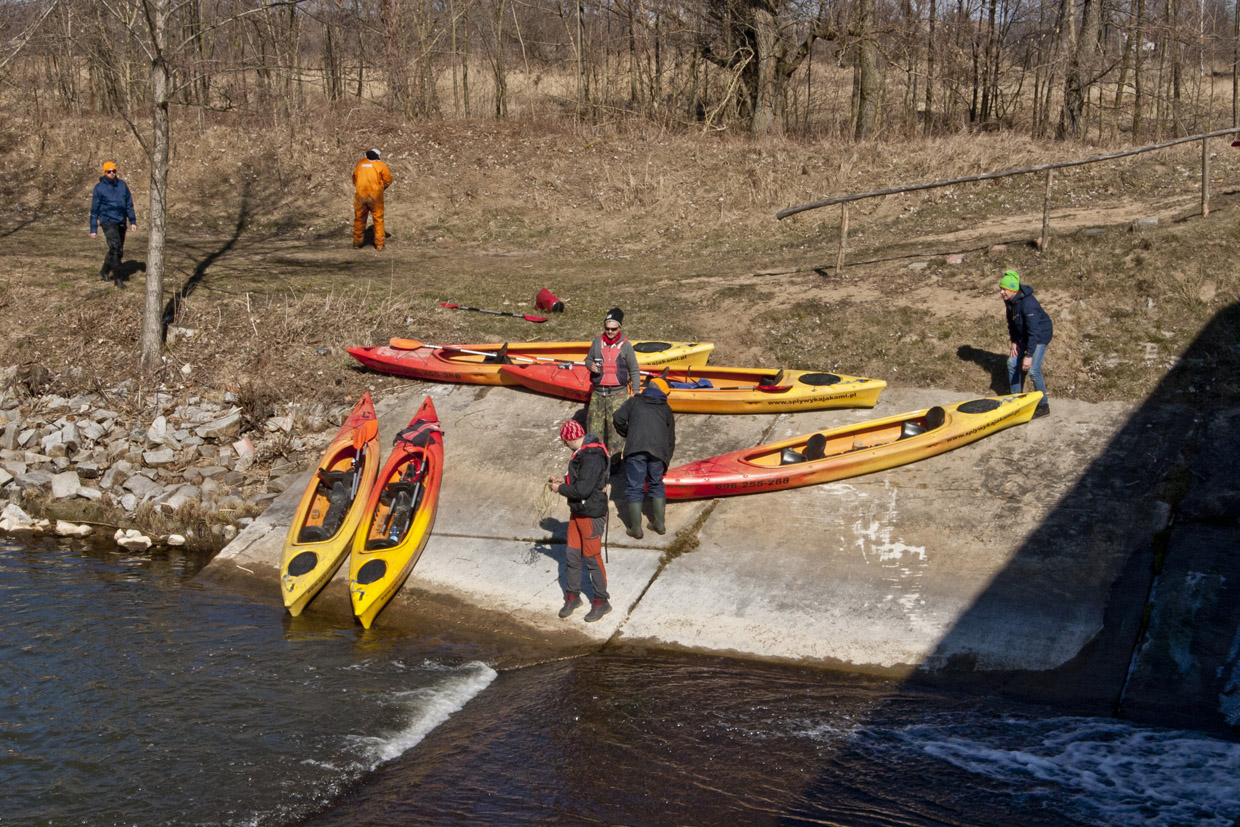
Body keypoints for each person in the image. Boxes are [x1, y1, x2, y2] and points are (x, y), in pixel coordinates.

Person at [547, 419, 612, 622]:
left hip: (591, 514)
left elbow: (583, 490)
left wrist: (560, 489)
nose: (565, 445)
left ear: (571, 438)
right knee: (572, 555)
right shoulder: (582, 453)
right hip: (578, 512)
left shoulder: (592, 457)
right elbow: (580, 481)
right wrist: (563, 481)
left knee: (592, 558)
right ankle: (572, 597)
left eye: (565, 441)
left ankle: (601, 601)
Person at [612, 377, 675, 539]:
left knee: (635, 487)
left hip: (636, 449)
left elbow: (618, 418)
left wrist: (628, 433)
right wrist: (666, 460)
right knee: (656, 484)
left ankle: (636, 529)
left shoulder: (634, 402)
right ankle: (660, 524)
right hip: (658, 452)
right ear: (662, 392)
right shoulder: (665, 409)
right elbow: (671, 438)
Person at [585, 307, 640, 464]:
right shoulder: (597, 342)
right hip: (598, 394)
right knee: (594, 431)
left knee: (616, 433)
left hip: (618, 395)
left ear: (619, 328)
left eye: (613, 329)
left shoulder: (626, 346)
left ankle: (615, 464)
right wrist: (589, 365)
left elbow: (634, 370)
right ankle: (595, 462)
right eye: (607, 328)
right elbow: (588, 359)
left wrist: (636, 392)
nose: (609, 331)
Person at [999, 269, 1053, 418]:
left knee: (1033, 370)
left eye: (1004, 289)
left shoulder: (1028, 304)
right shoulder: (1009, 301)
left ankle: (1043, 406)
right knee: (1012, 363)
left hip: (1039, 336)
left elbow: (1034, 332)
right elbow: (1011, 323)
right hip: (1024, 335)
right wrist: (1014, 341)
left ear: (1013, 289)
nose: (1001, 292)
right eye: (1001, 289)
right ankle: (1016, 401)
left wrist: (1028, 355)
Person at [89, 161, 137, 287]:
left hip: (121, 220)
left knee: (117, 250)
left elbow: (129, 204)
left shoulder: (122, 185)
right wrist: (93, 228)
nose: (111, 173)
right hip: (107, 221)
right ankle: (118, 278)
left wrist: (132, 221)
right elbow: (94, 209)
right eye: (109, 171)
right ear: (104, 173)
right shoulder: (99, 188)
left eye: (113, 171)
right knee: (116, 248)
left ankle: (104, 271)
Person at [352, 148, 393, 250]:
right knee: (378, 219)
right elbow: (388, 179)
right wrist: (381, 187)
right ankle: (379, 245)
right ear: (378, 156)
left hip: (361, 196)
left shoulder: (360, 164)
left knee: (359, 219)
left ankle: (357, 242)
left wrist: (360, 187)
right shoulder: (380, 164)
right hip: (375, 197)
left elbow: (354, 178)